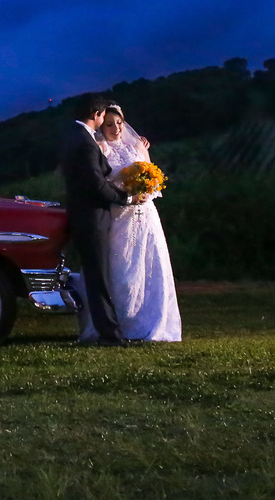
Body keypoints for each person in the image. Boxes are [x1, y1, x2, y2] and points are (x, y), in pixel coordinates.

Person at [78, 103, 182, 342]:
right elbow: (100, 183)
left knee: (149, 265)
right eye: (109, 124)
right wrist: (126, 192)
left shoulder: (136, 146)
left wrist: (146, 190)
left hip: (144, 214)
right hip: (117, 214)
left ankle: (151, 321)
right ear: (101, 126)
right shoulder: (99, 148)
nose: (115, 128)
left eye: (119, 123)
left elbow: (153, 176)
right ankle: (118, 324)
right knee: (121, 266)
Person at [58, 93, 134, 347]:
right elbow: (96, 185)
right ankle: (109, 335)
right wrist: (126, 198)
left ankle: (107, 331)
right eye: (103, 117)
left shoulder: (75, 136)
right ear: (96, 114)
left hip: (86, 215)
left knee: (96, 275)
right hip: (91, 217)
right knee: (98, 277)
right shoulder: (84, 141)